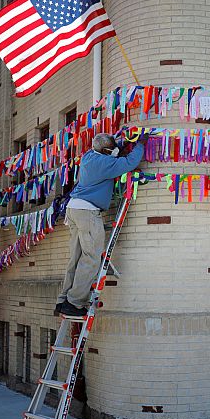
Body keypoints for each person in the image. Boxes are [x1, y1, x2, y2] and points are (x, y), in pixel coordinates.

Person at [55, 133, 147, 317]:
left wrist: (122, 143)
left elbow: (110, 150)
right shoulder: (106, 164)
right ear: (106, 151)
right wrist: (140, 145)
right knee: (91, 257)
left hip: (74, 209)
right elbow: (129, 162)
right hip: (87, 212)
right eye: (111, 149)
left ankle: (63, 300)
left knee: (76, 257)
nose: (115, 150)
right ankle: (74, 302)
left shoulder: (89, 156)